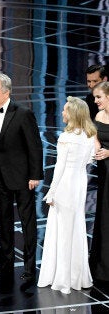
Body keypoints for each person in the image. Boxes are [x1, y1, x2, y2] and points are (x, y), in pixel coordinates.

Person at [0, 73, 43, 284]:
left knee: (27, 223)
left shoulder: (23, 113)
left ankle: (29, 266)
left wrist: (35, 175)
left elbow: (34, 146)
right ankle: (6, 263)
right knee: (4, 223)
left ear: (6, 92)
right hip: (0, 178)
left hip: (24, 178)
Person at [38, 96, 95, 294]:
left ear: (72, 114)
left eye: (65, 110)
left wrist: (51, 192)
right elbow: (89, 161)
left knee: (61, 231)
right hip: (79, 185)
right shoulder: (89, 136)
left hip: (64, 186)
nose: (62, 113)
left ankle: (60, 278)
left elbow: (59, 169)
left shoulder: (66, 138)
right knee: (76, 228)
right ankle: (76, 277)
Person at [91, 81, 109, 283]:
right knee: (104, 216)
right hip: (104, 172)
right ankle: (103, 269)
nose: (95, 101)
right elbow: (96, 140)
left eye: (99, 97)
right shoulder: (98, 116)